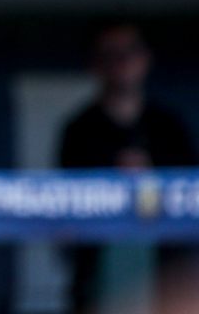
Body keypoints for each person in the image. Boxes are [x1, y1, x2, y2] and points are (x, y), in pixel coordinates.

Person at [58, 25, 199, 314]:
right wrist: (112, 185)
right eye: (110, 54)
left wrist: (153, 181)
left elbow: (190, 202)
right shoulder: (80, 131)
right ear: (95, 64)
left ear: (146, 59)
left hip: (165, 284)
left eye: (130, 52)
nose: (122, 62)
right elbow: (63, 212)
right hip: (100, 284)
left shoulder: (168, 129)